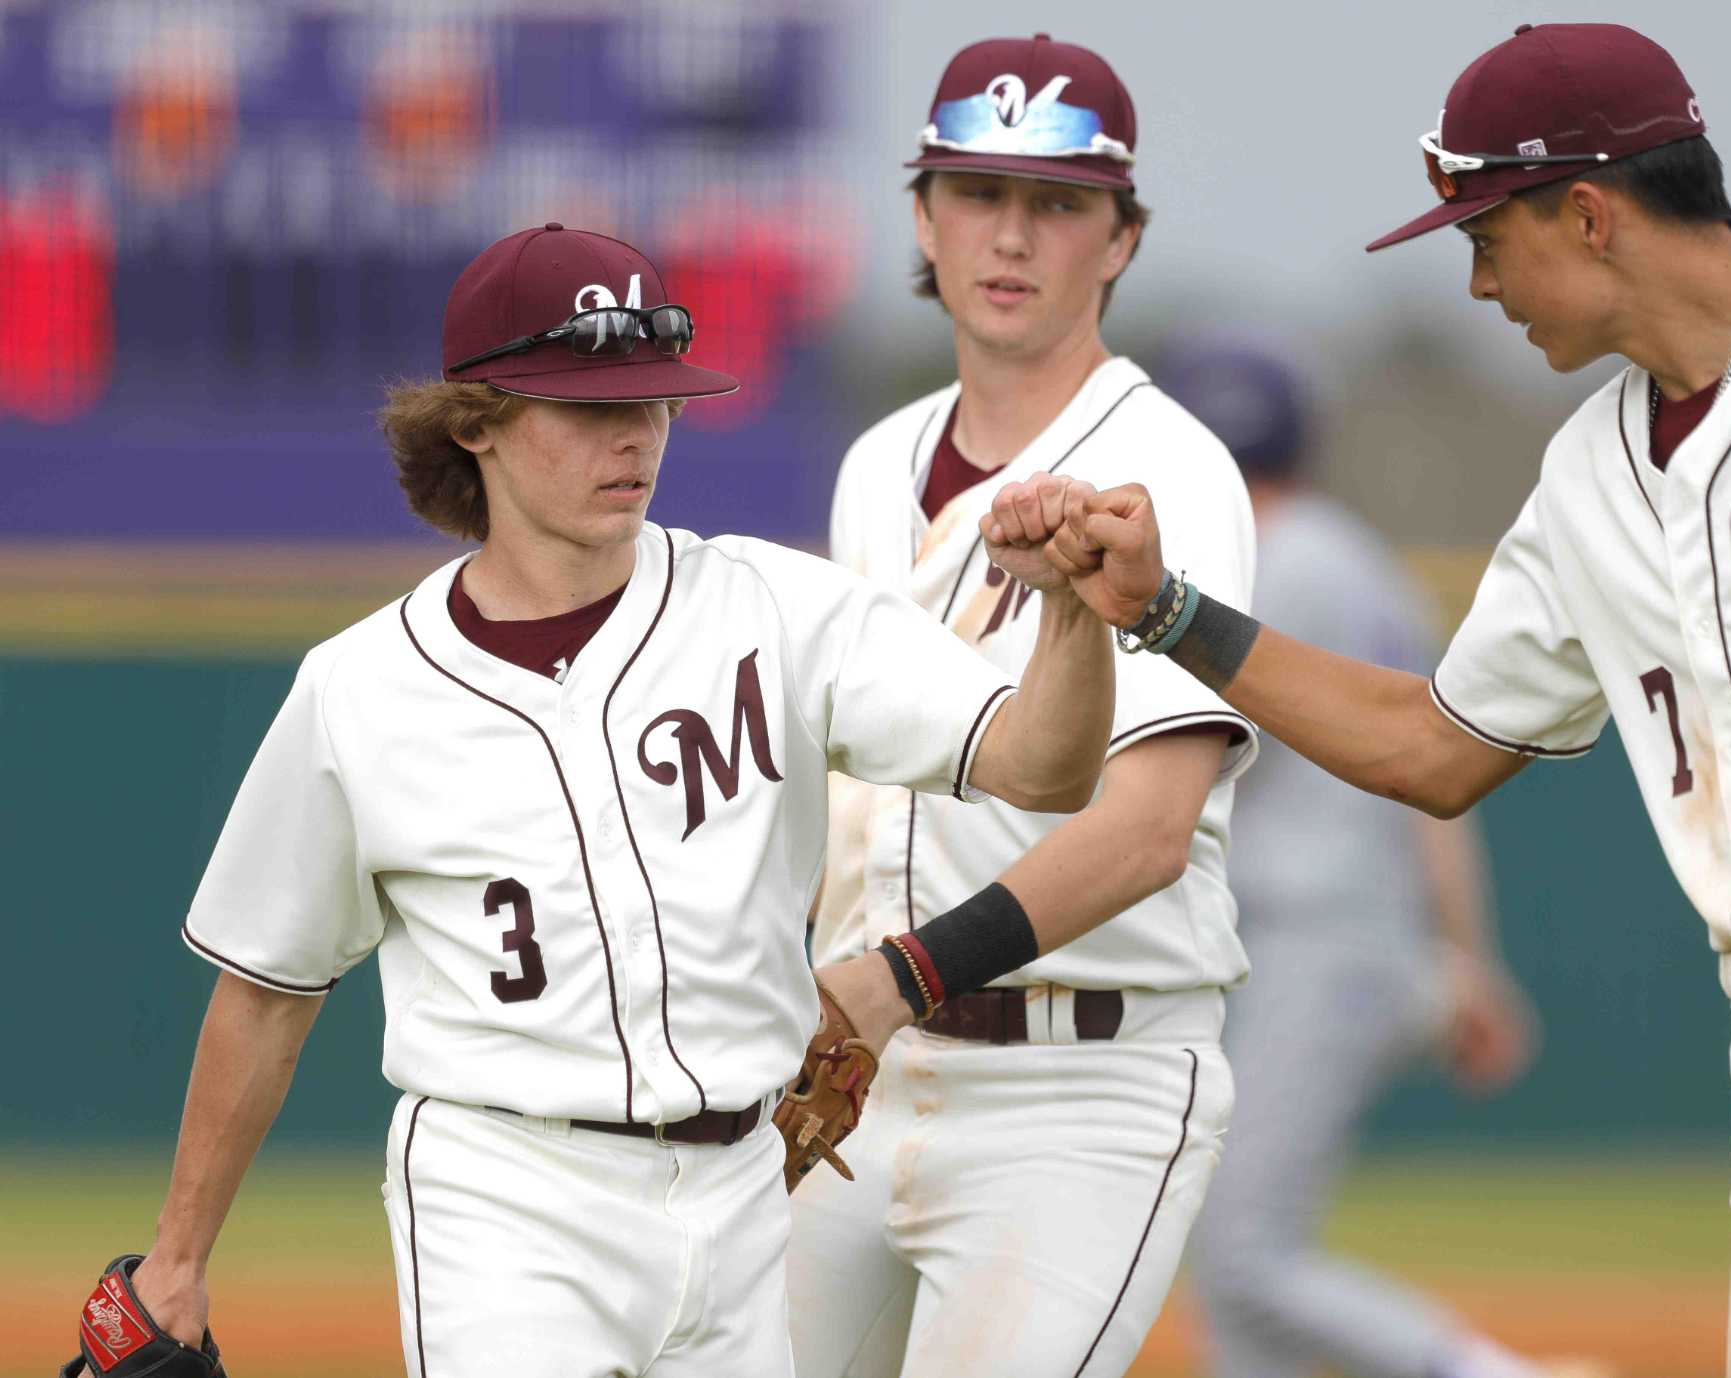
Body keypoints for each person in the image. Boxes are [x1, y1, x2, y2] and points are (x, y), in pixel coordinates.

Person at [994, 23, 1731, 1378]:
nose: (1483, 283)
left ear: (1592, 213)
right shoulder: (1592, 476)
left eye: (1488, 237)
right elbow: (1428, 746)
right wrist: (1165, 611)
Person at [70, 222, 1121, 1378]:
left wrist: (1072, 613)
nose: (635, 432)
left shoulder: (769, 605)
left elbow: (1044, 766)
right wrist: (176, 1258)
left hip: (743, 1188)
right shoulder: (359, 688)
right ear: (472, 421)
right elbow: (268, 987)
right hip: (506, 1194)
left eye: (654, 399)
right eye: (586, 406)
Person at [785, 34, 1256, 1378]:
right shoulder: (880, 461)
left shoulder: (1169, 466)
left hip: (1079, 1085)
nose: (1012, 234)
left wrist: (903, 973)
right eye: (979, 193)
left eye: (1057, 203)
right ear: (923, 219)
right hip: (859, 1064)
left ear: (1120, 240)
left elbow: (1150, 828)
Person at [1158, 344, 1562, 1378]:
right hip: (1349, 932)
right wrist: (1464, 955)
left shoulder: (1260, 562)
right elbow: (1431, 794)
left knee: (1243, 1255)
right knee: (1234, 1268)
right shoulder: (1355, 557)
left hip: (1310, 939)